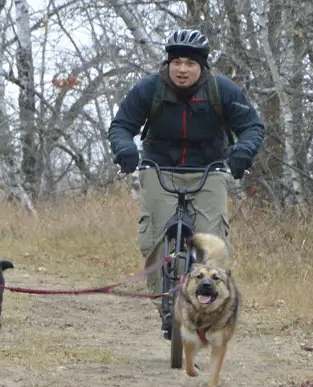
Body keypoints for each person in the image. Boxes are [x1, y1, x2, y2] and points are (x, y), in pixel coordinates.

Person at [108, 29, 264, 339]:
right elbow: (122, 125)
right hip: (158, 166)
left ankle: (207, 310)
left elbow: (252, 126)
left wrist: (242, 153)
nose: (182, 69)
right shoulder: (149, 89)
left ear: (202, 67)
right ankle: (165, 307)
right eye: (176, 62)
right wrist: (125, 149)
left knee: (213, 244)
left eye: (190, 63)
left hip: (209, 168)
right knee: (152, 239)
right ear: (167, 63)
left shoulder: (222, 90)